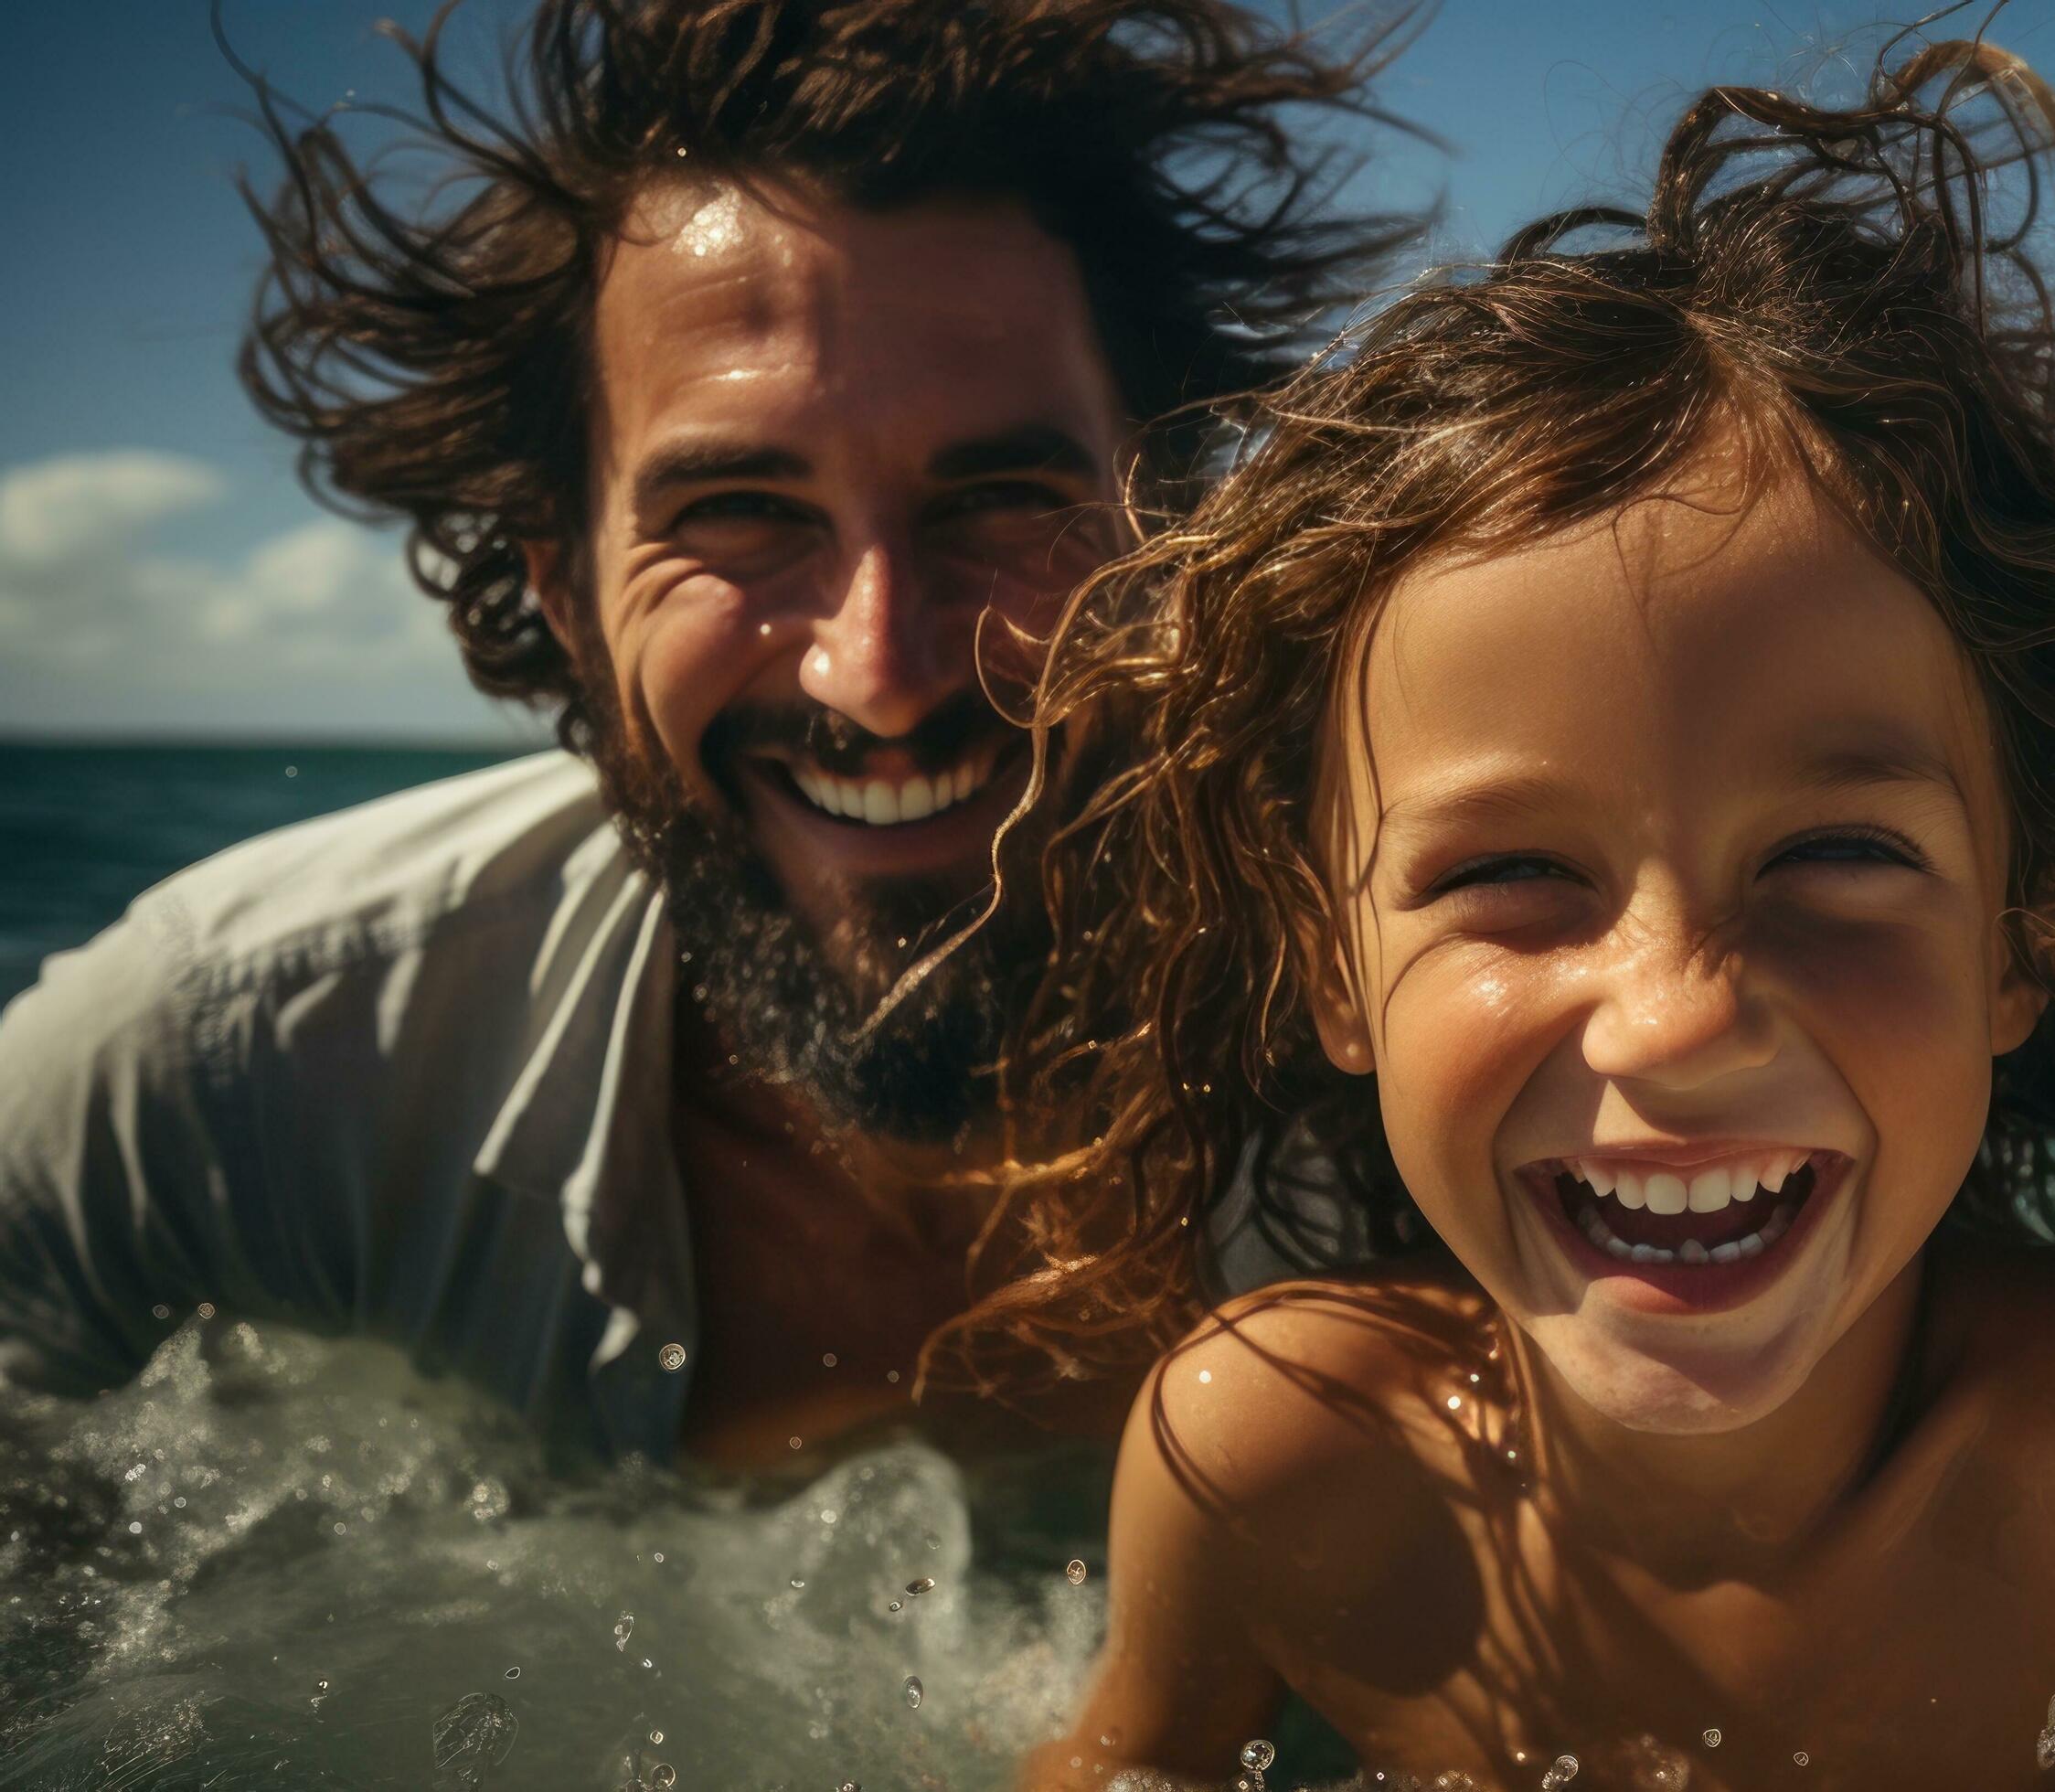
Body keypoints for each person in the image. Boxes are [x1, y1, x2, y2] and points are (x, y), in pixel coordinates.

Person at [996, 44, 2055, 1790]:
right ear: (1332, 964)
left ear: (2021, 936)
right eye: (1507, 877)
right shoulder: (1276, 1463)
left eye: (1834, 859)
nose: (1675, 1016)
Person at [0, 0, 1410, 1471]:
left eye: (999, 499)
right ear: (562, 584)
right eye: (740, 515)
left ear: (1175, 530)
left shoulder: (1447, 1052)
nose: (879, 675)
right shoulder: (221, 1084)